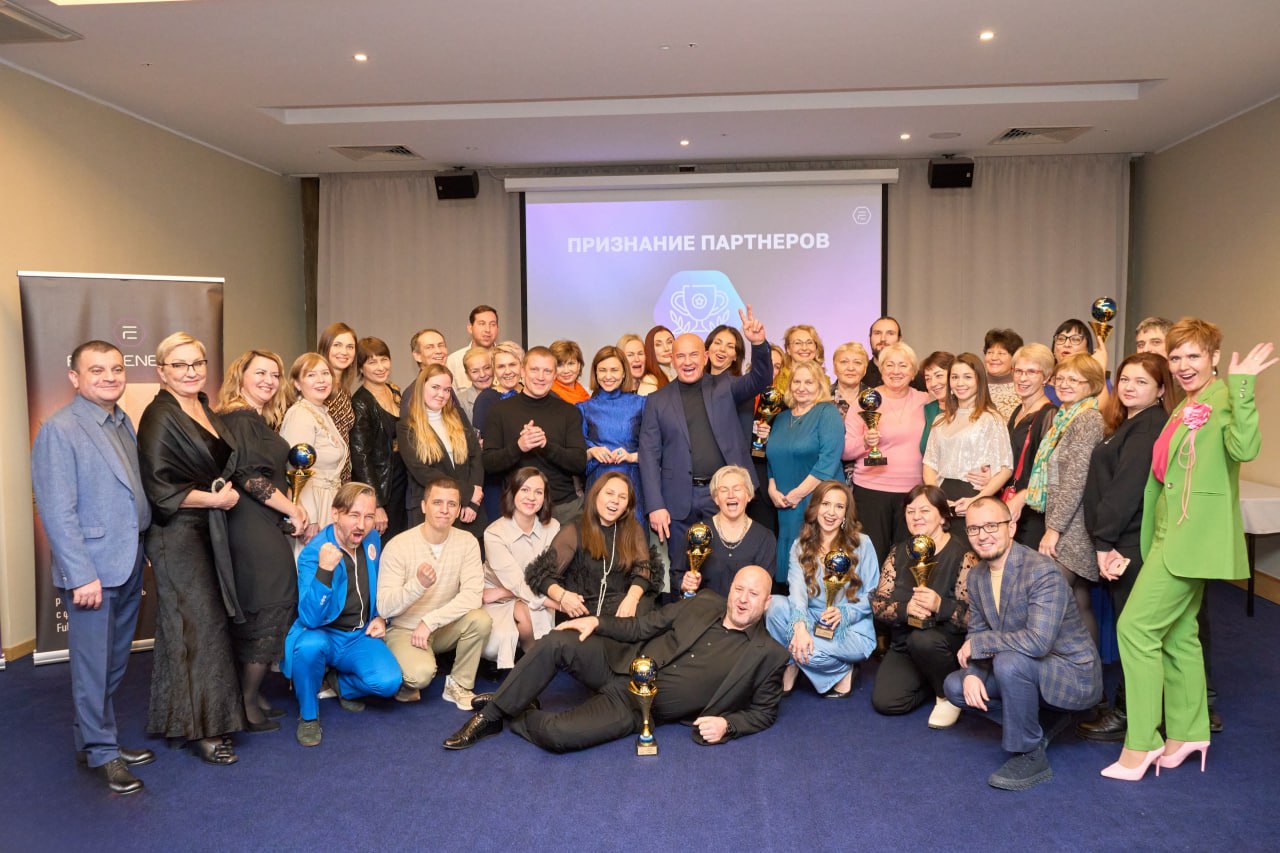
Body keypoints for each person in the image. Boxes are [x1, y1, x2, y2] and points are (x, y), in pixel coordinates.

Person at [1105, 320, 1274, 780]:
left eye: (1193, 356)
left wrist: (1243, 387)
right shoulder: (1185, 404)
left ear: (1214, 358)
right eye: (1176, 357)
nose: (1182, 365)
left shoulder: (1223, 397)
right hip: (1167, 532)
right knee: (1179, 636)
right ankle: (1187, 732)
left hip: (1190, 537)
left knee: (1135, 629)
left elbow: (1245, 447)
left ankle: (1142, 742)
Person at [442, 566, 787, 753]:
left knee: (559, 735)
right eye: (739, 589)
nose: (742, 599)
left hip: (637, 706)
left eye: (753, 594)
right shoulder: (705, 601)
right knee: (559, 640)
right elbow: (643, 625)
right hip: (619, 661)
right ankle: (491, 716)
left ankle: (516, 709)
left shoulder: (769, 655)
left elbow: (764, 712)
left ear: (767, 601)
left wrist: (728, 726)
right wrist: (597, 622)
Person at [31, 341, 155, 794]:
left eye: (116, 369)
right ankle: (102, 752)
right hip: (92, 573)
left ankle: (92, 740)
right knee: (92, 667)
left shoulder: (122, 423)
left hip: (127, 561)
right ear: (75, 377)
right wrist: (81, 574)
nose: (109, 377)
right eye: (97, 370)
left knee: (113, 663)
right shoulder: (60, 429)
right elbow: (57, 510)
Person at [136, 332, 245, 765]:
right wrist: (215, 500)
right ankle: (205, 729)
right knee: (198, 626)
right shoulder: (159, 416)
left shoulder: (201, 405)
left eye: (197, 363)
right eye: (179, 365)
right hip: (176, 535)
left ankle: (179, 717)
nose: (190, 371)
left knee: (186, 627)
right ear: (161, 371)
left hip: (207, 528)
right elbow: (160, 489)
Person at [943, 498, 1102, 791]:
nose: (982, 535)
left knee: (1009, 662)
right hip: (1026, 668)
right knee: (956, 686)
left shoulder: (1042, 570)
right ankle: (1039, 720)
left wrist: (980, 644)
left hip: (1071, 675)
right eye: (974, 528)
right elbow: (977, 630)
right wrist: (974, 673)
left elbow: (1038, 641)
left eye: (991, 526)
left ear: (1011, 528)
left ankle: (1029, 752)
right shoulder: (977, 576)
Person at [639, 306, 772, 591]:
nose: (687, 362)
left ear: (705, 356)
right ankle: (684, 618)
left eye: (694, 355)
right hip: (677, 500)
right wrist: (655, 505)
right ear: (672, 359)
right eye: (681, 356)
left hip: (721, 495)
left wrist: (758, 343)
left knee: (722, 569)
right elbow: (648, 455)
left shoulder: (725, 386)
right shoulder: (657, 401)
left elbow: (761, 378)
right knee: (681, 572)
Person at [1077, 352, 1172, 742]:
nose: (1130, 387)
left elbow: (1126, 491)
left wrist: (1104, 542)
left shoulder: (1148, 428)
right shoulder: (1129, 422)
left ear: (1161, 389)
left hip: (1127, 544)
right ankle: (1133, 707)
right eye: (1126, 379)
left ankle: (1132, 715)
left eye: (1142, 381)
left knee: (1136, 635)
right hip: (1119, 539)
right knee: (1132, 630)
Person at [215, 350, 308, 733]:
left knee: (266, 603)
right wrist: (293, 510)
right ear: (240, 376)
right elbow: (250, 478)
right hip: (249, 522)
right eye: (260, 373)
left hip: (262, 521)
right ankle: (247, 702)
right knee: (270, 602)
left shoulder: (255, 419)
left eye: (274, 374)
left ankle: (250, 694)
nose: (269, 380)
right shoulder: (239, 419)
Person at [283, 483, 402, 748]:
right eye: (354, 515)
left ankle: (339, 684)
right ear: (335, 514)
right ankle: (308, 715)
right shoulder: (313, 553)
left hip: (358, 635)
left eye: (368, 516)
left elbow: (380, 585)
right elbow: (310, 618)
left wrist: (382, 617)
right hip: (323, 633)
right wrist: (324, 571)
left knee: (389, 683)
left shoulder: (372, 539)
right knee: (309, 647)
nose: (361, 525)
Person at [378, 477, 492, 708]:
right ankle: (407, 677)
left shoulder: (467, 542)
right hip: (406, 629)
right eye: (437, 502)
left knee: (480, 620)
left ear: (458, 510)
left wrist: (431, 621)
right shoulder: (398, 545)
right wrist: (418, 585)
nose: (444, 510)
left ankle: (459, 685)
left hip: (441, 626)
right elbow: (385, 607)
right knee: (419, 676)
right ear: (423, 506)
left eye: (452, 504)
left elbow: (472, 595)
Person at [870, 485, 977, 725]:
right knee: (886, 702)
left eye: (924, 510)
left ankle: (947, 695)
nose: (916, 516)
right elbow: (878, 605)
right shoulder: (898, 552)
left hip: (942, 645)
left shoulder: (963, 555)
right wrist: (905, 609)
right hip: (904, 644)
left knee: (924, 640)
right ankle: (932, 682)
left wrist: (941, 606)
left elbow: (975, 617)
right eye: (910, 511)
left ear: (943, 516)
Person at [766, 480, 878, 698]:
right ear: (815, 507)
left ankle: (843, 671)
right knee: (774, 605)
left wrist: (845, 612)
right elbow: (797, 593)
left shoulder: (863, 544)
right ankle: (793, 663)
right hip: (811, 619)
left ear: (846, 513)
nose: (831, 512)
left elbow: (874, 595)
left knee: (806, 649)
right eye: (825, 504)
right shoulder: (800, 545)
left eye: (839, 506)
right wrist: (799, 628)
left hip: (850, 628)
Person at [1023, 352, 1107, 644]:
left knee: (1050, 596)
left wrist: (1053, 530)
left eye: (1074, 379)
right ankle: (1087, 668)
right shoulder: (1065, 418)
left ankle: (1079, 666)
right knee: (1077, 599)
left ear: (1091, 385)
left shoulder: (1088, 419)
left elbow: (1075, 480)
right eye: (1061, 378)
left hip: (1073, 526)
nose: (1065, 384)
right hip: (1066, 521)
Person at [526, 472, 658, 620]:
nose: (615, 500)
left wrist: (632, 598)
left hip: (620, 611)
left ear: (627, 505)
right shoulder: (573, 530)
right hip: (581, 613)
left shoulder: (633, 529)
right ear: (595, 495)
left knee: (648, 610)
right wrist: (563, 596)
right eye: (609, 493)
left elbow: (643, 571)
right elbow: (541, 576)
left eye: (622, 497)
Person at [843, 341, 929, 563]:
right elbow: (845, 451)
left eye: (903, 365)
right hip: (871, 491)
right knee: (870, 558)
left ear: (913, 372)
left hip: (913, 493)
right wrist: (864, 442)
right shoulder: (864, 401)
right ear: (880, 370)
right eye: (889, 365)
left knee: (908, 557)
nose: (896, 371)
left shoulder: (926, 401)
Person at [482, 346, 588, 524]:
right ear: (523, 371)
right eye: (534, 370)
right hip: (517, 508)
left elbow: (579, 463)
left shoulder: (569, 412)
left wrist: (546, 445)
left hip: (562, 508)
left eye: (547, 371)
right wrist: (519, 447)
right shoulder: (499, 411)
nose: (540, 377)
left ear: (554, 375)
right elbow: (489, 464)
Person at [766, 359, 845, 582]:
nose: (801, 387)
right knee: (790, 571)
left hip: (815, 502)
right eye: (797, 382)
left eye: (809, 382)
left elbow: (828, 461)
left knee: (816, 571)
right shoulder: (781, 418)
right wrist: (772, 488)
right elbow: (772, 456)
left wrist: (799, 493)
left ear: (820, 386)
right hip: (785, 503)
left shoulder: (827, 412)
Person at [481, 468, 561, 669]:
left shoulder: (553, 527)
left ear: (545, 497)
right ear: (513, 492)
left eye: (538, 492)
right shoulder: (494, 533)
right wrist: (559, 604)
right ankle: (526, 661)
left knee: (530, 619)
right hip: (497, 601)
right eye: (525, 490)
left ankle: (529, 663)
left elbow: (549, 574)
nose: (531, 497)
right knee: (494, 646)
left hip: (519, 593)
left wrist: (504, 592)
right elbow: (517, 582)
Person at [398, 363, 485, 537]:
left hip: (468, 511)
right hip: (432, 510)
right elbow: (422, 471)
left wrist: (472, 502)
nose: (441, 394)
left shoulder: (458, 416)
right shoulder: (406, 426)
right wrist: (466, 492)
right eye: (435, 387)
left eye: (447, 390)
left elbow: (475, 456)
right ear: (421, 387)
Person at [922, 352, 1012, 513]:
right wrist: (936, 498)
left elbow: (1005, 468)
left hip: (975, 497)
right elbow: (929, 463)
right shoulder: (940, 420)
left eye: (967, 377)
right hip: (942, 498)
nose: (960, 383)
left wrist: (976, 500)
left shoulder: (990, 418)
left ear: (979, 380)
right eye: (954, 377)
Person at [280, 353, 349, 545]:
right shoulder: (300, 414)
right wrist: (309, 516)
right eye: (311, 375)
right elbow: (296, 469)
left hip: (329, 500)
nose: (321, 380)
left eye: (325, 373)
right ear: (297, 383)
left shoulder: (321, 411)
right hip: (313, 506)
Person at [679, 465, 777, 599]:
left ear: (748, 495)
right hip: (703, 608)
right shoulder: (697, 533)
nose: (731, 495)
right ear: (716, 498)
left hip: (744, 610)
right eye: (724, 490)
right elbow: (678, 575)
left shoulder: (765, 538)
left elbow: (763, 588)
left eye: (737, 489)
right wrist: (685, 584)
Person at [349, 336, 408, 542]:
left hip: (403, 480)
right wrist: (377, 504)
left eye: (384, 359)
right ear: (360, 367)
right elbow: (361, 457)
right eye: (372, 362)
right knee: (385, 544)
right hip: (383, 486)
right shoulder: (360, 403)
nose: (381, 367)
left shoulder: (394, 390)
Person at [578, 345, 646, 518]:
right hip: (598, 482)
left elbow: (655, 448)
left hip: (632, 482)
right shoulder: (584, 408)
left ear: (624, 373)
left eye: (614, 370)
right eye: (602, 370)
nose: (608, 376)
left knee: (633, 532)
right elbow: (576, 454)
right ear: (595, 373)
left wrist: (631, 456)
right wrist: (592, 451)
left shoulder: (641, 404)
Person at [1001, 344, 1057, 548]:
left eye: (1031, 372)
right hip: (1010, 503)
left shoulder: (1050, 414)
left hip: (1031, 510)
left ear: (1046, 377)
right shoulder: (1018, 410)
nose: (1022, 378)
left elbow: (1052, 468)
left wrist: (1023, 497)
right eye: (1018, 371)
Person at [318, 322, 357, 482]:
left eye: (350, 347)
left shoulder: (344, 390)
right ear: (325, 347)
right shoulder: (318, 388)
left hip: (342, 477)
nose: (344, 352)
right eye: (337, 345)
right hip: (321, 478)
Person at [830, 341, 870, 483]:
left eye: (857, 362)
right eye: (844, 362)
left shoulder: (876, 399)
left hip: (868, 476)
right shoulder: (821, 399)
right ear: (834, 367)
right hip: (829, 475)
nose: (851, 368)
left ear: (865, 369)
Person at [471, 340, 524, 437]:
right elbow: (480, 440)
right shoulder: (485, 399)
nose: (507, 371)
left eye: (512, 365)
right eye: (501, 366)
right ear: (494, 370)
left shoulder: (532, 393)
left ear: (522, 366)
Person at [446, 304, 499, 390]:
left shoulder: (508, 359)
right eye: (482, 324)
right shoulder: (454, 361)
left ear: (498, 328)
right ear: (470, 328)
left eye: (492, 324)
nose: (487, 330)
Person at [983, 328, 1025, 420]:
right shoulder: (975, 385)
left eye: (1001, 353)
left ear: (1014, 358)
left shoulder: (1023, 388)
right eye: (990, 352)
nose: (994, 358)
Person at [918, 350, 954, 455]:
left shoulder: (966, 409)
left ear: (953, 376)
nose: (933, 383)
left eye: (938, 376)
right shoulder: (928, 410)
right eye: (928, 379)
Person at [455, 346, 493, 423]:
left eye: (487, 368)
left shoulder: (505, 394)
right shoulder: (459, 402)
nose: (482, 375)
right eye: (475, 371)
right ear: (467, 375)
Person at [863, 316, 902, 388]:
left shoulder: (911, 376)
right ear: (869, 338)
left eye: (890, 333)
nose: (883, 339)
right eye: (877, 333)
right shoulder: (859, 374)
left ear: (899, 340)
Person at [636, 325, 676, 396]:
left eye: (669, 342)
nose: (666, 348)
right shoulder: (649, 381)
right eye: (658, 344)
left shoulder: (677, 374)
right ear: (650, 350)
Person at [549, 339, 589, 405]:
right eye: (560, 365)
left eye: (571, 364)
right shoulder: (550, 394)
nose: (566, 371)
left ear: (579, 365)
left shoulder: (583, 393)